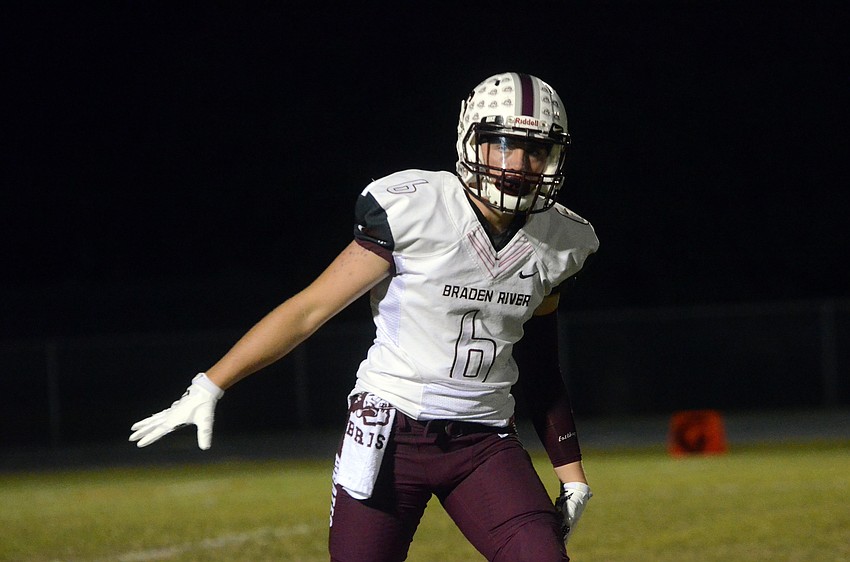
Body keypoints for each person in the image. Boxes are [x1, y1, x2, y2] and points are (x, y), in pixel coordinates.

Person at [130, 71, 599, 562]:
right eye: (504, 144)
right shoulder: (417, 208)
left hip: (483, 440)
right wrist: (211, 384)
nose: (519, 164)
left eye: (536, 150)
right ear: (471, 140)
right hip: (389, 432)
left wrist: (572, 476)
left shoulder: (561, 241)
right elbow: (310, 309)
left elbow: (541, 366)